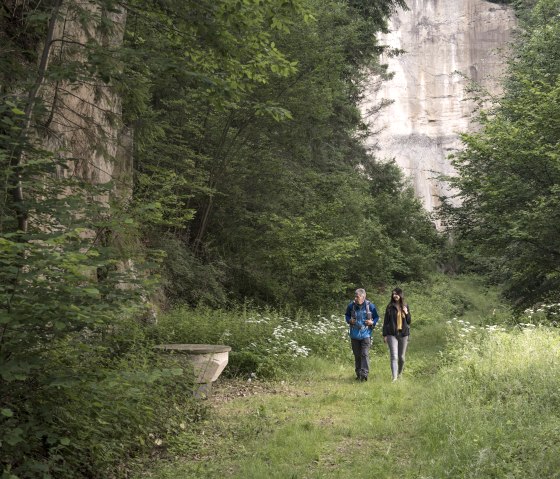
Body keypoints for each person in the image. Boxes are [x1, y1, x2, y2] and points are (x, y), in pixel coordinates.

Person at [345, 288, 379, 381]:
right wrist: (349, 320)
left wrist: (372, 322)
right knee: (357, 355)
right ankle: (358, 374)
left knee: (364, 354)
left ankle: (364, 374)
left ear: (363, 297)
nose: (355, 298)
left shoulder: (370, 306)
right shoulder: (351, 306)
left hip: (366, 334)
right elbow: (347, 315)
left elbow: (376, 317)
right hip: (354, 334)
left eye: (357, 296)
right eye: (355, 296)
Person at [382, 287, 411, 382]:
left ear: (401, 295)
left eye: (397, 294)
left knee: (401, 357)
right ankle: (394, 377)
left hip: (403, 334)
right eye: (393, 294)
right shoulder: (389, 306)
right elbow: (386, 321)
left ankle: (399, 374)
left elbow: (409, 321)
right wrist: (385, 334)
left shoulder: (406, 305)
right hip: (391, 333)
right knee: (394, 356)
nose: (395, 295)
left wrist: (406, 313)